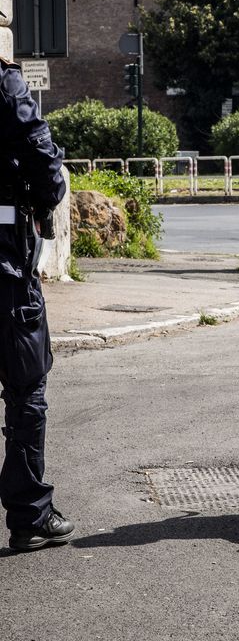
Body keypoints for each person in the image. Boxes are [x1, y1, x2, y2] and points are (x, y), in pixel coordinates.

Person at [0, 55, 74, 551]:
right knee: (26, 390)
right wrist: (45, 201)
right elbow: (43, 158)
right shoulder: (3, 82)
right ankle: (30, 515)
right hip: (3, 265)